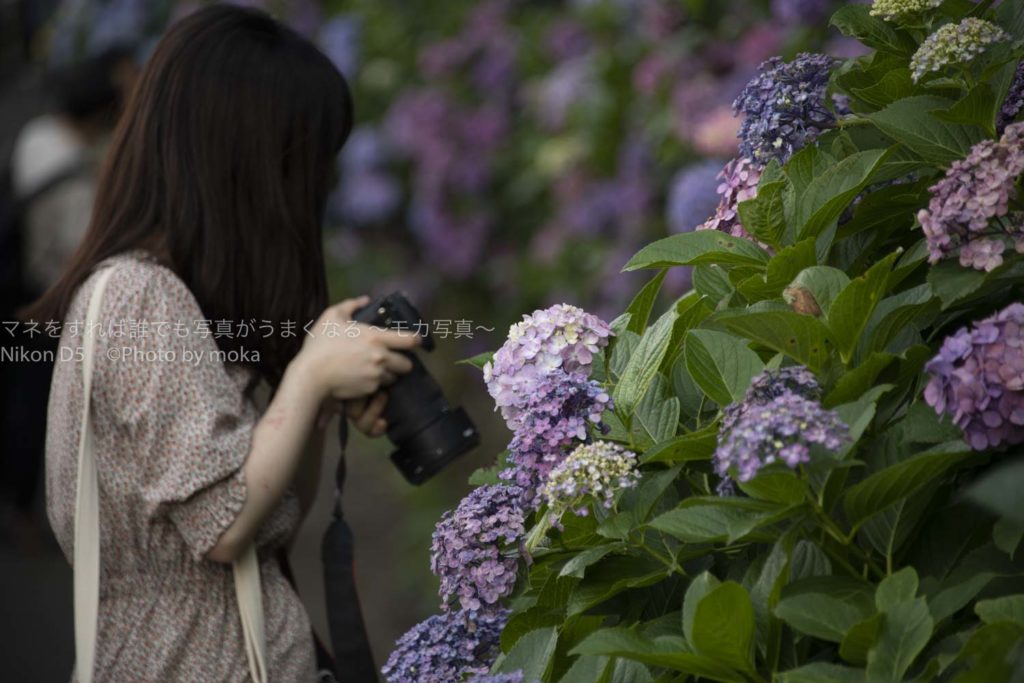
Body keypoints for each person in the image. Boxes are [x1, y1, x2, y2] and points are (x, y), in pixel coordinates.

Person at [22, 5, 415, 680]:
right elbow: (227, 523)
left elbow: (270, 522)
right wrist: (309, 376)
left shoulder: (174, 300)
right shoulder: (138, 298)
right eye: (309, 162)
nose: (318, 190)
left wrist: (315, 403)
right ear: (251, 165)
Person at [0, 46, 138, 540]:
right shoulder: (73, 171)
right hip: (46, 303)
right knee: (34, 408)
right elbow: (77, 251)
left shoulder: (39, 135)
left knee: (19, 395)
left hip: (17, 289)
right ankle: (23, 513)